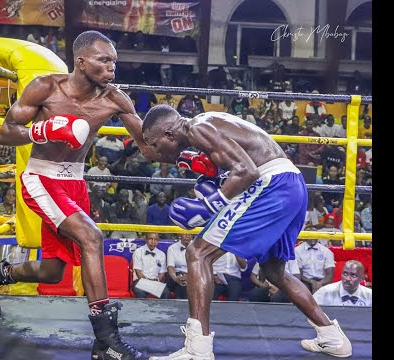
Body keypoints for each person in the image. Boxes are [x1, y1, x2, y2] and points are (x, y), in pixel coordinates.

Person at [0, 30, 157, 360]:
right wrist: (42, 129)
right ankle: (105, 339)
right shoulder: (46, 87)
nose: (112, 67)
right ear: (82, 62)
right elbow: (6, 133)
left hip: (75, 183)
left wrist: (190, 149)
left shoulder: (115, 98)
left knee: (53, 271)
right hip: (41, 177)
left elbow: (148, 145)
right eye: (104, 60)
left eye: (114, 61)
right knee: (92, 236)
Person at [141, 105, 352, 359]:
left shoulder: (198, 128)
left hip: (271, 186)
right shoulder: (207, 127)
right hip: (292, 184)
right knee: (274, 271)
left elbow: (247, 171)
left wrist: (210, 205)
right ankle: (331, 336)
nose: (153, 151)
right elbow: (239, 167)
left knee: (198, 253)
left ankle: (198, 350)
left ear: (169, 134)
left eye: (154, 144)